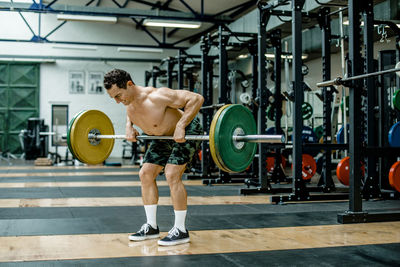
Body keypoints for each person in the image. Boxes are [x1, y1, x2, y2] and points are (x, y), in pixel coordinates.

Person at [103, 69, 204, 246]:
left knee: (172, 173)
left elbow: (196, 99)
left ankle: (181, 230)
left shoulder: (158, 95)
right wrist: (129, 126)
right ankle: (151, 226)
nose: (118, 101)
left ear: (129, 84)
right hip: (161, 137)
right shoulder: (129, 101)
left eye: (119, 95)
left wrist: (181, 124)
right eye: (114, 98)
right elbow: (131, 111)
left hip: (187, 131)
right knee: (145, 174)